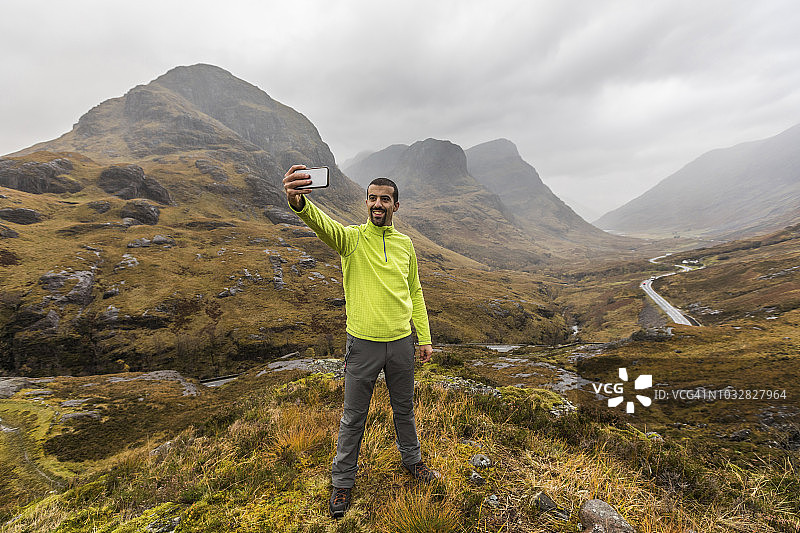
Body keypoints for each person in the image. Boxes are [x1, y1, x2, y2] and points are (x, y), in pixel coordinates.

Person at [283, 164, 439, 518]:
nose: (377, 204)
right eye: (372, 198)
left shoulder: (405, 245)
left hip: (402, 343)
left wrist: (424, 338)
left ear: (396, 206)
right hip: (362, 346)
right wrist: (298, 203)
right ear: (366, 203)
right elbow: (323, 224)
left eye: (385, 199)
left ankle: (413, 464)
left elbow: (414, 290)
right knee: (353, 417)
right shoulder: (351, 239)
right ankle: (342, 483)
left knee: (405, 410)